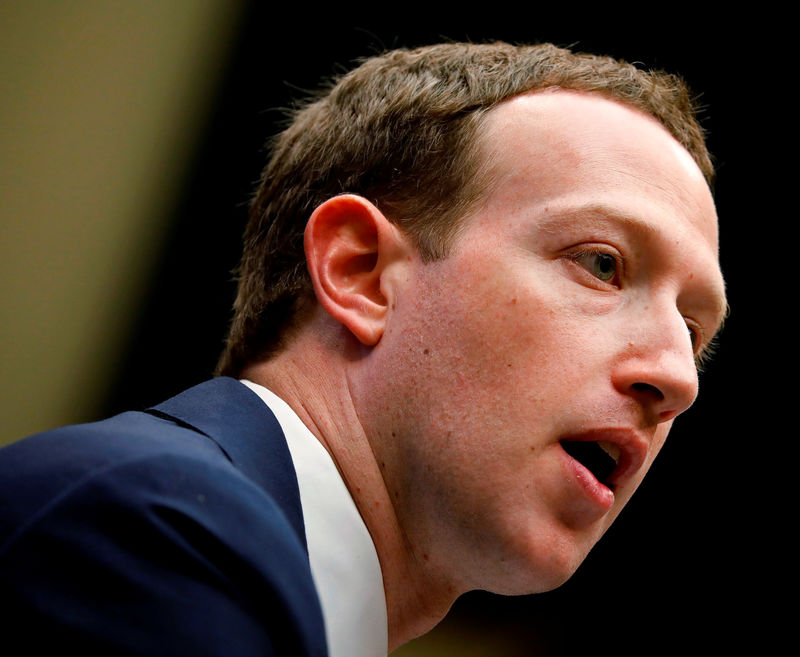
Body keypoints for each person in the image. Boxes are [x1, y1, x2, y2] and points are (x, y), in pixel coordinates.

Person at [0, 42, 727, 656]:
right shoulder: (153, 533)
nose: (675, 376)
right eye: (601, 263)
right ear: (361, 274)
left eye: (694, 332)